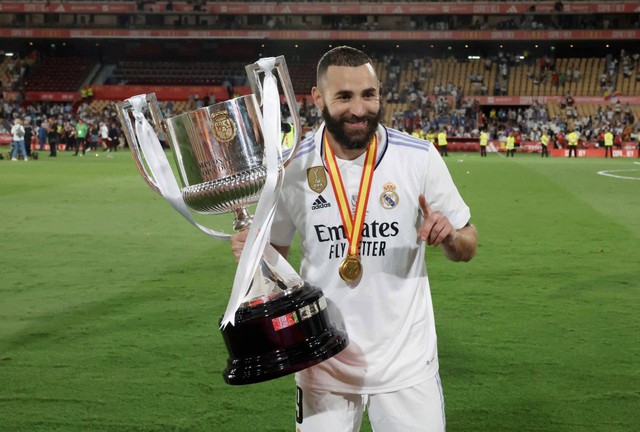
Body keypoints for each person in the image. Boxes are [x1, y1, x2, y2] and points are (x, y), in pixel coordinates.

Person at [230, 46, 477, 432]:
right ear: (317, 98)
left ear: (380, 92)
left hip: (406, 363)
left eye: (368, 95)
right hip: (322, 362)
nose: (359, 109)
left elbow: (469, 243)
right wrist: (255, 258)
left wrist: (450, 237)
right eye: (344, 97)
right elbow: (274, 253)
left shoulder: (418, 157)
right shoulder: (292, 167)